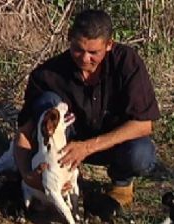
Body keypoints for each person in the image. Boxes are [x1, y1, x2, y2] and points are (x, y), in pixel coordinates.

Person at [14, 9, 160, 207]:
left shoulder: (127, 62)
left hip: (113, 145)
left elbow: (144, 125)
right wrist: (26, 175)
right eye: (78, 49)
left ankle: (122, 183)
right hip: (65, 148)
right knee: (47, 101)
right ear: (69, 39)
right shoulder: (47, 75)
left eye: (93, 53)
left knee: (141, 153)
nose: (84, 59)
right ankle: (56, 174)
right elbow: (24, 132)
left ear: (109, 45)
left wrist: (88, 147)